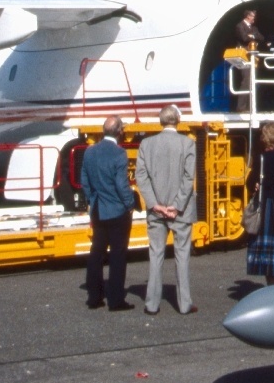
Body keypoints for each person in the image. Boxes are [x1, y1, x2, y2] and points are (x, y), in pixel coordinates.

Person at [135, 105, 197, 315]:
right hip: (181, 210)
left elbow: (141, 177)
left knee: (156, 255)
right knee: (182, 256)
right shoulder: (188, 143)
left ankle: (152, 304)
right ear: (177, 120)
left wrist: (155, 204)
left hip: (156, 210)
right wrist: (177, 205)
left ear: (161, 121)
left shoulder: (146, 144)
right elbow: (189, 178)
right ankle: (184, 304)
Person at [79, 116, 137, 311]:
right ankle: (116, 299)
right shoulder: (119, 154)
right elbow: (122, 184)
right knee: (118, 256)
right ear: (120, 131)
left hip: (98, 209)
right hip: (117, 210)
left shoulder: (90, 152)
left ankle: (94, 297)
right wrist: (130, 203)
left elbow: (85, 180)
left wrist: (91, 199)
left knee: (96, 253)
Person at [246, 121, 274, 286]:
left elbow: (250, 181)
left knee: (266, 247)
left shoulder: (262, 158)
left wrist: (258, 185)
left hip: (266, 205)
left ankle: (269, 284)